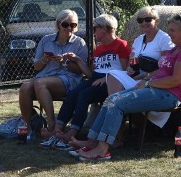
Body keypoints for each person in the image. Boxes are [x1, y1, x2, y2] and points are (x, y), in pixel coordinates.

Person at [76, 14, 181, 161]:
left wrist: (149, 83)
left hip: (169, 95)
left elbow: (176, 80)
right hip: (156, 89)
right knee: (110, 99)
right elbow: (162, 72)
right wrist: (146, 77)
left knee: (116, 104)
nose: (169, 33)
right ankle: (93, 141)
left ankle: (102, 150)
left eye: (173, 31)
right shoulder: (175, 49)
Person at [38, 14, 130, 149]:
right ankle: (57, 129)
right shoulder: (99, 49)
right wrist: (77, 59)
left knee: (84, 95)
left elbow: (125, 71)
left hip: (111, 82)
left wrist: (105, 79)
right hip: (95, 80)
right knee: (73, 94)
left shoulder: (121, 45)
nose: (93, 32)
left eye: (95, 28)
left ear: (103, 29)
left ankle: (73, 131)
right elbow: (90, 74)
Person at [17, 9, 88, 140]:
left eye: (73, 25)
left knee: (40, 83)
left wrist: (64, 62)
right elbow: (36, 66)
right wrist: (45, 59)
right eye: (66, 25)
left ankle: (52, 125)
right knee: (25, 87)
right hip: (44, 76)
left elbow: (81, 70)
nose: (70, 28)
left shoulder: (80, 43)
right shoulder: (46, 40)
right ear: (58, 24)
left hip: (68, 78)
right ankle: (28, 127)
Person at [105, 6, 172, 94]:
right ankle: (114, 102)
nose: (144, 23)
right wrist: (129, 69)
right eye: (140, 20)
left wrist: (146, 76)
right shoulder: (138, 40)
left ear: (157, 21)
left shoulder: (164, 39)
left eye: (148, 19)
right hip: (135, 77)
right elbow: (131, 62)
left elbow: (166, 67)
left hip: (151, 79)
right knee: (112, 74)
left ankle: (115, 103)